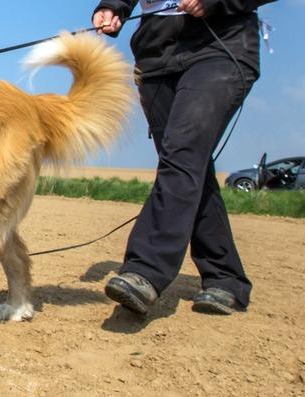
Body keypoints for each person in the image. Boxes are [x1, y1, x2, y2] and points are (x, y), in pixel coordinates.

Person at [92, 0, 275, 315]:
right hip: (156, 58)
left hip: (219, 47)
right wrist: (113, 6)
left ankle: (145, 270)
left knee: (182, 153)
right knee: (190, 167)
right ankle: (226, 279)